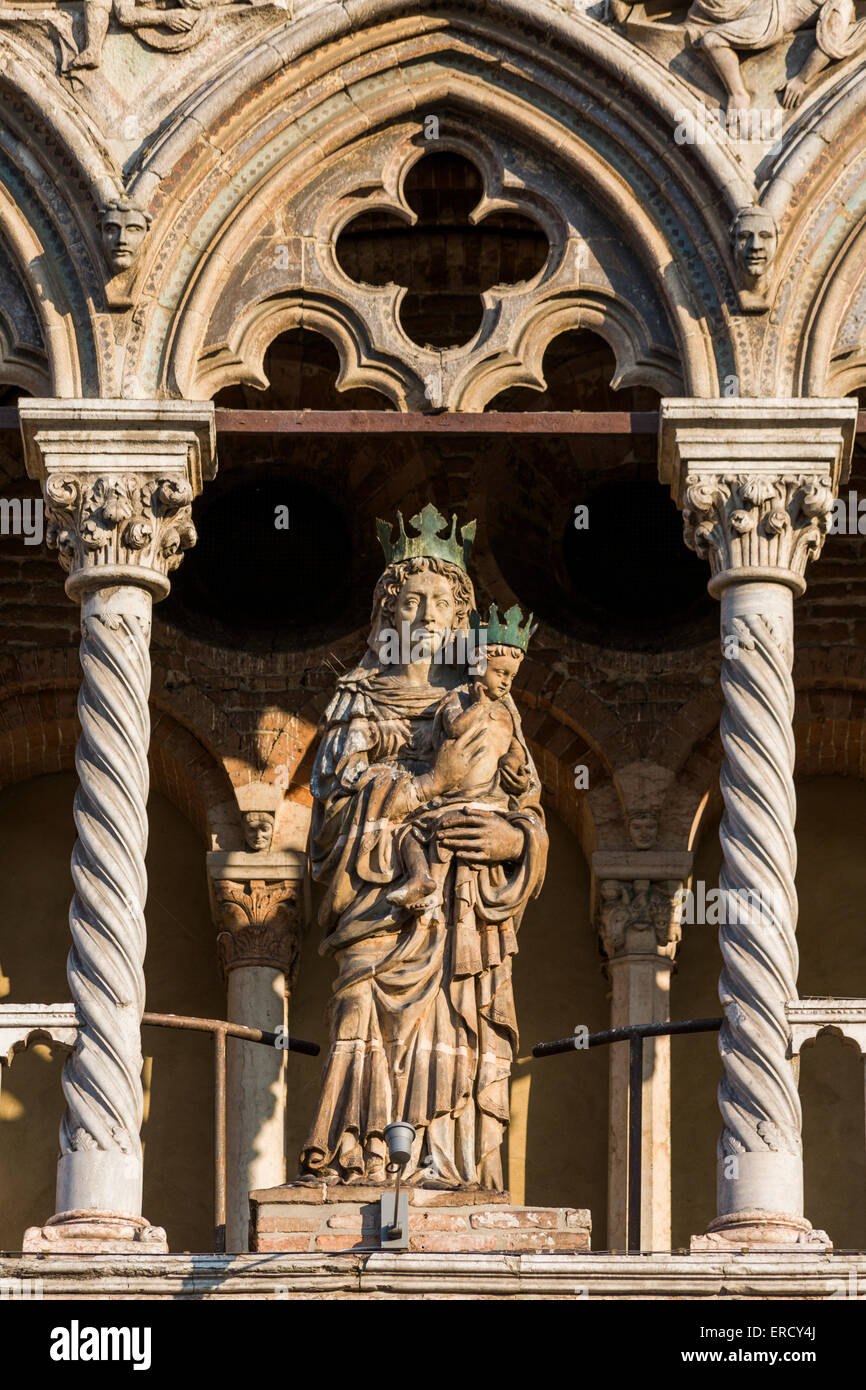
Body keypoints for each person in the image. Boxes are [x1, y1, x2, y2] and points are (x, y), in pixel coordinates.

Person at [297, 507, 548, 1190]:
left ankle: (448, 1161)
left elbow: (526, 809)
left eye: (442, 599)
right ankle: (359, 1153)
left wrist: (512, 841)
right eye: (410, 598)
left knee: (460, 1026)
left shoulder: (490, 705)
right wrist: (429, 783)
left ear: (462, 615)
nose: (426, 610)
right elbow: (336, 810)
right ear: (387, 613)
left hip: (466, 909)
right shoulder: (357, 698)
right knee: (361, 1006)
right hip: (381, 903)